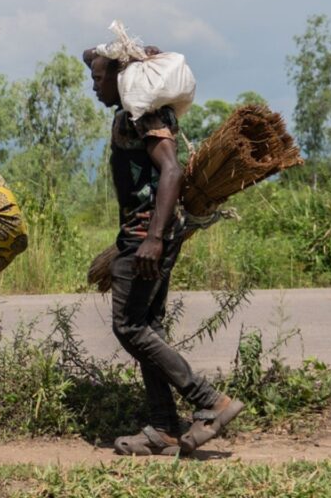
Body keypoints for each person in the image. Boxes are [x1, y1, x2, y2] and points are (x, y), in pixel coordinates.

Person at [84, 45, 243, 456]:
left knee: (130, 326)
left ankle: (209, 400)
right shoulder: (133, 113)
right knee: (147, 327)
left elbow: (170, 171)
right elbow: (92, 54)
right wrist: (122, 52)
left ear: (121, 78)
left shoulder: (144, 117)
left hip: (145, 238)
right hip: (145, 234)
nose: (94, 84)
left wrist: (153, 238)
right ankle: (163, 427)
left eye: (99, 77)